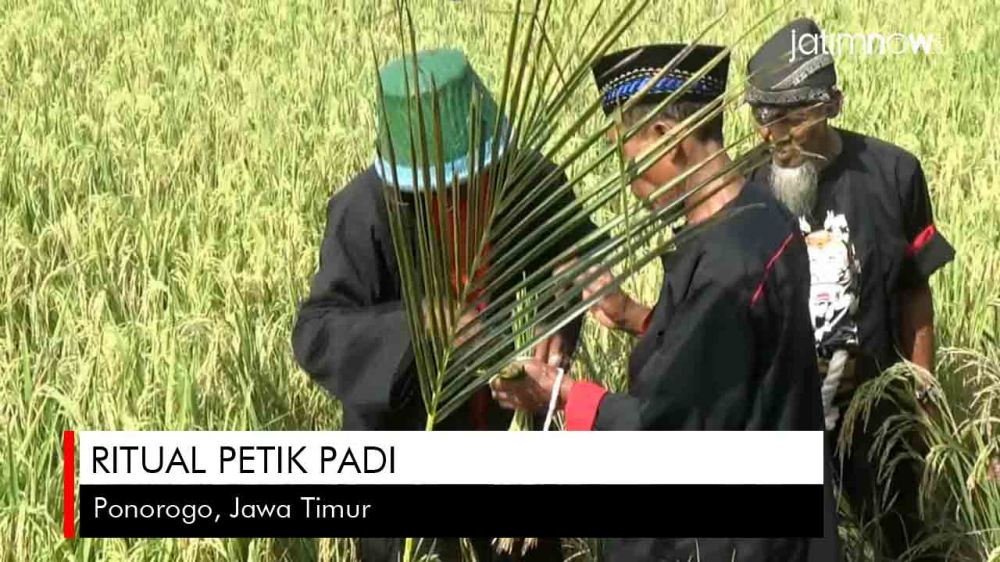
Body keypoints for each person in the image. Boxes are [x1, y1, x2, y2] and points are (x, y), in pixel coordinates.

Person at [491, 43, 840, 562]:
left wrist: (559, 394)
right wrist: (634, 316)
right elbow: (725, 360)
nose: (630, 183)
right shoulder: (763, 215)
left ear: (666, 137)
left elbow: (670, 433)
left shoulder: (728, 267)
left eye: (625, 156)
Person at [292, 49, 593, 562]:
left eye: (478, 178)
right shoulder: (366, 211)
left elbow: (575, 254)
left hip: (497, 438)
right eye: (446, 189)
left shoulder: (525, 181)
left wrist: (558, 320)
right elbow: (316, 333)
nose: (465, 196)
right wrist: (425, 323)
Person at [744, 18, 956, 561]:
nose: (775, 136)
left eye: (793, 118)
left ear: (833, 104)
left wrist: (922, 397)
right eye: (764, 117)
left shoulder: (894, 174)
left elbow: (914, 291)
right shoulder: (742, 191)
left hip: (874, 418)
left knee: (902, 542)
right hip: (779, 423)